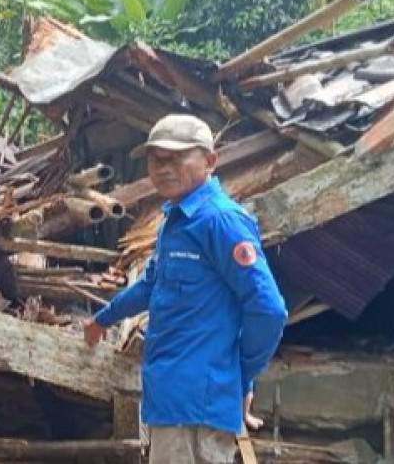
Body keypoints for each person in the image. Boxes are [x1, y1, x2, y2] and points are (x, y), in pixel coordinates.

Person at [83, 114, 287, 464]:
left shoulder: (220, 221)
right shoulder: (176, 220)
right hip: (170, 400)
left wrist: (243, 377)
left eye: (176, 157)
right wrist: (103, 319)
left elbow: (268, 309)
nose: (162, 168)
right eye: (154, 159)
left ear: (210, 161)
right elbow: (151, 285)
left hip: (196, 410)